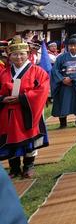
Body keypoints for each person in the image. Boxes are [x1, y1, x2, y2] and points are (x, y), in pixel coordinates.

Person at [0, 37, 50, 179]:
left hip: (29, 111)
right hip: (9, 112)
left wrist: (22, 98)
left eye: (22, 54)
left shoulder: (38, 71)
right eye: (15, 54)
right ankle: (14, 168)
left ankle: (29, 166)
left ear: (28, 54)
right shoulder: (3, 73)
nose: (19, 57)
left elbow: (42, 91)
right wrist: (3, 99)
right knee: (11, 139)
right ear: (9, 56)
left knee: (30, 139)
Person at [51, 34, 76, 128]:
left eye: (75, 45)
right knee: (62, 102)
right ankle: (63, 123)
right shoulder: (61, 57)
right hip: (64, 83)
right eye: (70, 45)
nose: (72, 47)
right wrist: (62, 79)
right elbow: (55, 70)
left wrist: (72, 78)